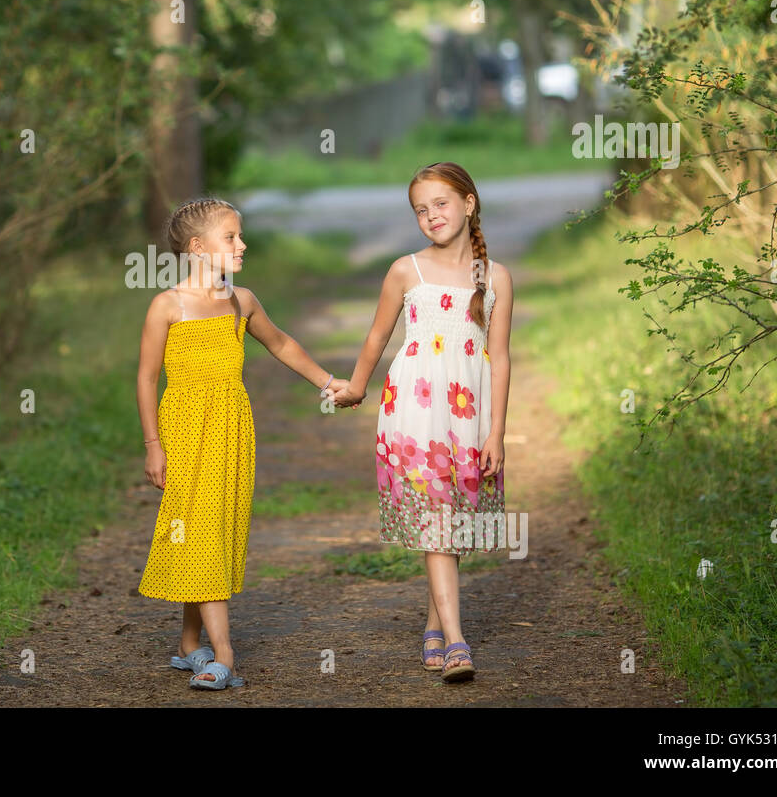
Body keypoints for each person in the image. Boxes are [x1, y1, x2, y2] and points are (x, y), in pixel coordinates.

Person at [136, 197, 349, 690]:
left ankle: (192, 644)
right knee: (201, 533)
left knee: (211, 532)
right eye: (230, 237)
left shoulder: (241, 300)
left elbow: (280, 343)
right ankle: (225, 655)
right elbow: (147, 379)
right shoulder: (167, 306)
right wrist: (153, 445)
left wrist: (328, 382)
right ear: (197, 247)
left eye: (240, 235)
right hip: (187, 433)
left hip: (232, 431)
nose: (242, 244)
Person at [332, 163, 513, 683]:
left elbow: (499, 360)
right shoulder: (405, 270)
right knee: (437, 523)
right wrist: (358, 385)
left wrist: (496, 430)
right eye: (420, 209)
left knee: (455, 520)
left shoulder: (495, 277)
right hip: (414, 413)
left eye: (441, 203)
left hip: (470, 416)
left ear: (469, 204)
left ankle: (435, 625)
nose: (431, 216)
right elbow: (376, 337)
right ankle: (456, 639)